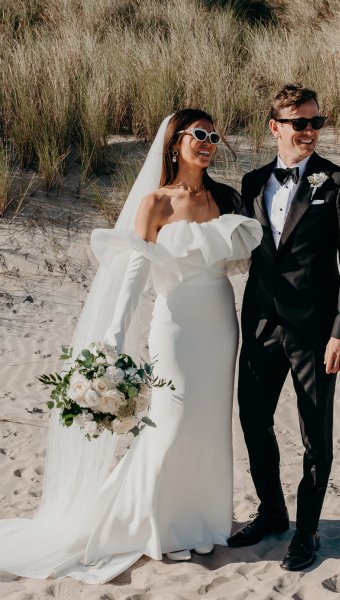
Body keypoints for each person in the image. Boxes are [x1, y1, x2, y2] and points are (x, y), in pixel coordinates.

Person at [0, 109, 262, 583]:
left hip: (221, 323)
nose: (207, 143)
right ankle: (152, 524)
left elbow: (242, 260)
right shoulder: (155, 203)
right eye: (198, 134)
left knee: (207, 422)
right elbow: (136, 271)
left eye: (214, 137)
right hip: (176, 325)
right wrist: (113, 336)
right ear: (175, 142)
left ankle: (202, 523)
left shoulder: (225, 197)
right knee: (172, 421)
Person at [227, 84, 340, 571]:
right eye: (300, 123)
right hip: (262, 323)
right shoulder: (251, 182)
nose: (310, 131)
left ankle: (306, 533)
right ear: (275, 127)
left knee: (316, 436)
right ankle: (272, 512)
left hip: (316, 332)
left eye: (316, 122)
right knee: (252, 419)